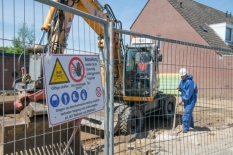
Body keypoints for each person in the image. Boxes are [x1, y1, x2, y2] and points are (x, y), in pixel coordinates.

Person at [177, 68, 198, 133]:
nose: (181, 77)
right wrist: (179, 88)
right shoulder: (182, 81)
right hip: (186, 100)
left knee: (186, 113)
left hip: (191, 100)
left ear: (186, 74)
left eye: (182, 75)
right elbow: (183, 90)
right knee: (189, 112)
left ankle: (186, 128)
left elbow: (188, 93)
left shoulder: (190, 82)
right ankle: (191, 125)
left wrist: (182, 100)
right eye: (181, 75)